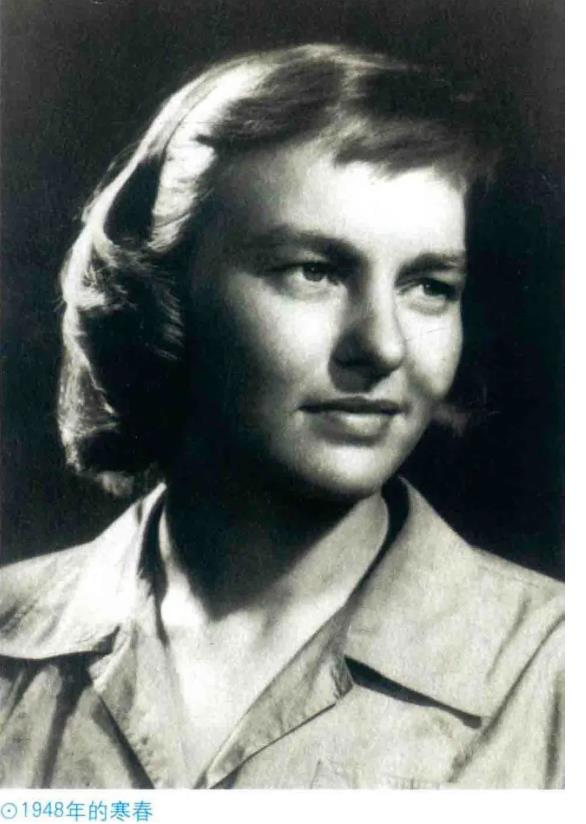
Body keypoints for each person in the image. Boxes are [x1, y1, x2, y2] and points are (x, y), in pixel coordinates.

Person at [0, 44, 563, 789]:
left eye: (429, 285)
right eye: (315, 271)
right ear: (163, 295)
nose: (384, 346)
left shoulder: (556, 672)